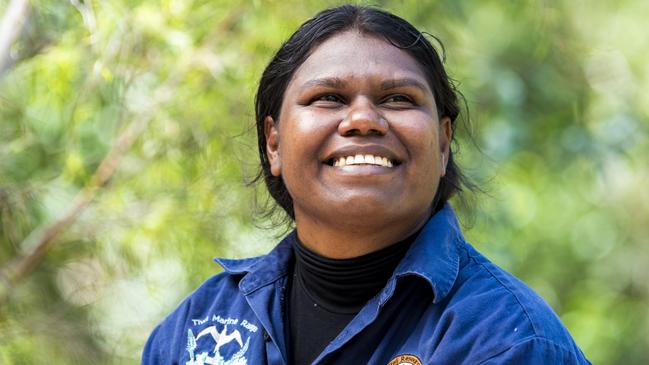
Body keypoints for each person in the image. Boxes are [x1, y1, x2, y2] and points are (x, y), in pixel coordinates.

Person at [142, 5, 591, 365]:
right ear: (274, 143)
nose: (361, 120)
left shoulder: (505, 341)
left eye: (398, 99)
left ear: (442, 143)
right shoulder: (195, 329)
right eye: (328, 98)